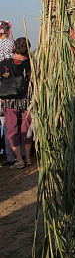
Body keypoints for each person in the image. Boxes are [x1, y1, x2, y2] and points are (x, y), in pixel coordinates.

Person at [2, 38, 33, 169]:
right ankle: (27, 158)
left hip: (10, 101)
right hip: (27, 100)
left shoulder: (5, 63)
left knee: (12, 131)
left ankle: (19, 160)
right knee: (26, 129)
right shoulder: (32, 64)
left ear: (14, 48)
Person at [0, 21, 16, 166]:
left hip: (3, 84)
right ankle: (19, 152)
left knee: (7, 122)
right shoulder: (12, 43)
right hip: (12, 84)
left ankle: (10, 154)